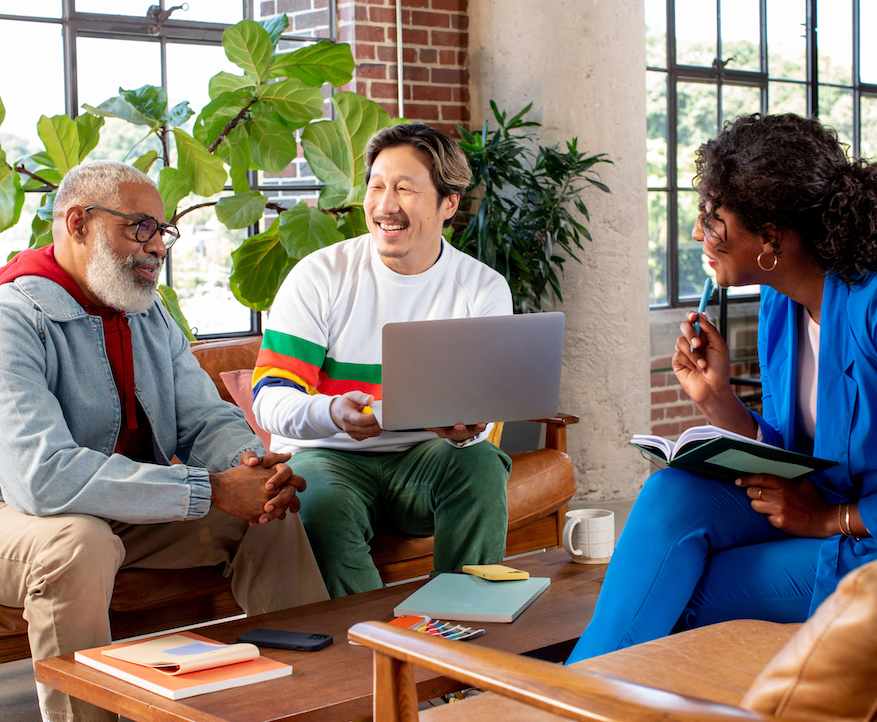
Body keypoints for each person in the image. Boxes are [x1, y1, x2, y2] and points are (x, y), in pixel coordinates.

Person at [0, 160, 328, 722]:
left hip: (125, 510)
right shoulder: (13, 318)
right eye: (140, 228)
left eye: (162, 231)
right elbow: (41, 478)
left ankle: (315, 703)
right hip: (23, 514)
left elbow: (203, 417)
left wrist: (250, 471)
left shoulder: (145, 313)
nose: (158, 247)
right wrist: (207, 490)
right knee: (79, 544)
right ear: (78, 223)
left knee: (272, 513)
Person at [567, 113, 877, 664]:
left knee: (678, 591)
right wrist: (719, 402)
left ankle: (571, 697)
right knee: (670, 492)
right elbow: (804, 455)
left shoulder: (871, 307)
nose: (696, 234)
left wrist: (831, 521)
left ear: (770, 239)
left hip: (864, 539)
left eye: (713, 220)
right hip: (821, 503)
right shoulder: (782, 304)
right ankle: (570, 695)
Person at [252, 123, 514, 598]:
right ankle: (377, 648)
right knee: (321, 507)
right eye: (376, 187)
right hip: (327, 455)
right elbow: (270, 398)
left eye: (406, 189)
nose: (385, 205)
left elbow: (485, 405)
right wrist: (331, 412)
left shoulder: (482, 288)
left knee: (480, 464)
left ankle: (458, 624)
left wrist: (469, 427)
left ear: (448, 204)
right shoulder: (320, 277)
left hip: (424, 460)